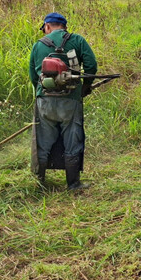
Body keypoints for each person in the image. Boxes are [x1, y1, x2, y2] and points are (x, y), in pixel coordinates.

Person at [29, 12, 97, 190]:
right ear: (64, 26)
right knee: (72, 140)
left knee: (41, 143)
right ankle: (73, 184)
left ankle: (39, 183)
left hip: (44, 101)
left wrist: (42, 92)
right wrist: (85, 87)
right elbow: (91, 66)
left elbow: (32, 75)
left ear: (48, 26)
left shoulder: (38, 45)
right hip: (70, 100)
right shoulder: (78, 41)